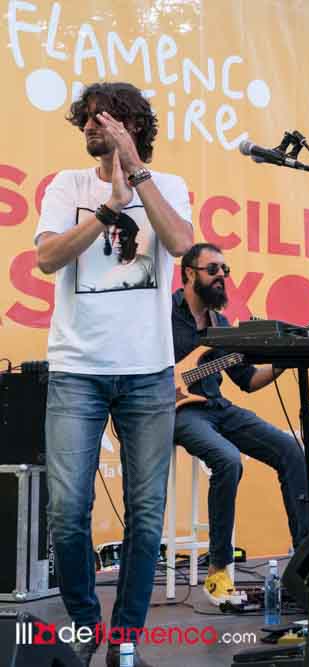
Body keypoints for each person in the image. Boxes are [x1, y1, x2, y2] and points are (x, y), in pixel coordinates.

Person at [35, 82, 194, 667]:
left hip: (148, 373)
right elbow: (46, 258)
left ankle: (125, 640)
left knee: (146, 517)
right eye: (86, 117)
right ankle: (85, 624)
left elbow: (181, 243)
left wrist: (136, 177)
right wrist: (108, 209)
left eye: (102, 118)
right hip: (77, 369)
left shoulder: (167, 186)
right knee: (66, 514)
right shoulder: (67, 185)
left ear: (132, 126)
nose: (89, 125)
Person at [172, 243, 309, 603]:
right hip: (178, 411)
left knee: (290, 450)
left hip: (219, 407)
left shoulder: (221, 326)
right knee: (228, 459)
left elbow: (247, 380)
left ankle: (306, 562)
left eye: (225, 270)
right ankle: (218, 570)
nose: (221, 276)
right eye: (213, 269)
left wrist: (283, 360)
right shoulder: (162, 314)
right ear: (189, 273)